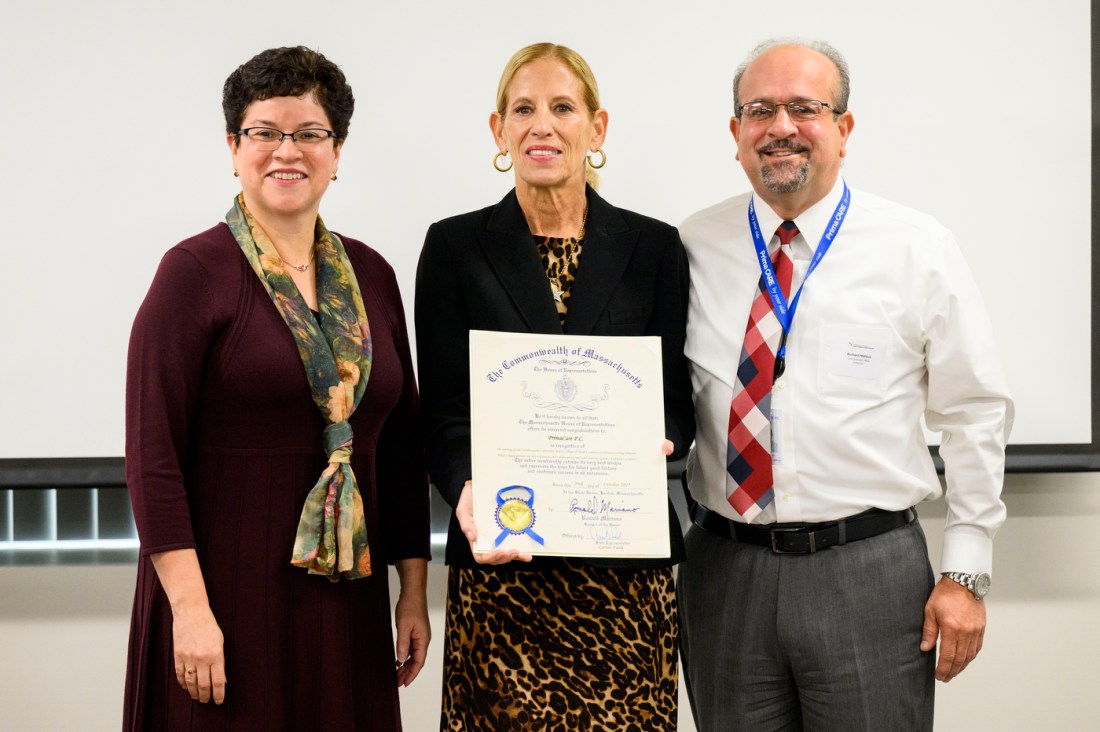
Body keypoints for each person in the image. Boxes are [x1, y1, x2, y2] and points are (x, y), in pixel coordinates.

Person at [676, 38, 1013, 731]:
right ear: (736, 132)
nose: (781, 127)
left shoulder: (916, 247)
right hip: (725, 572)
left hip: (867, 572)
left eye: (804, 107)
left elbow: (974, 411)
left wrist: (966, 571)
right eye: (760, 110)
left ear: (844, 127)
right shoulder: (688, 247)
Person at [122, 46, 430, 730]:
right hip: (224, 596)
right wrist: (189, 610)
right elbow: (152, 457)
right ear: (233, 147)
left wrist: (412, 590)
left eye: (309, 133)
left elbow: (401, 450)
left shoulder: (373, 276)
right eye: (264, 131)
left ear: (337, 151)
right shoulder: (192, 273)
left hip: (347, 600)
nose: (286, 151)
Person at [414, 42, 694, 731]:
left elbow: (675, 403)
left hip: (623, 576)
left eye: (563, 107)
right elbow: (444, 413)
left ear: (597, 128)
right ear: (498, 130)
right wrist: (468, 486)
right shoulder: (454, 248)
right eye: (523, 109)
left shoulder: (655, 248)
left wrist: (658, 438)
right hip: (505, 568)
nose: (542, 125)